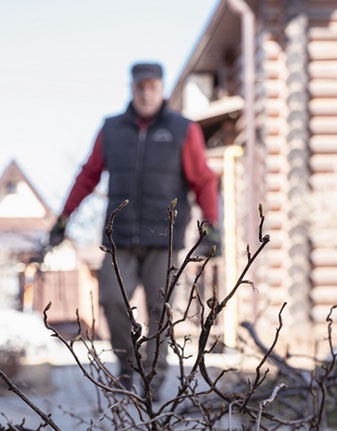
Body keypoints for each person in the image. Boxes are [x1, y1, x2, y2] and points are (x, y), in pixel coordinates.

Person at [50, 61, 221, 393]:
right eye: (140, 87)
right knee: (112, 300)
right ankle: (129, 368)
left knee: (161, 309)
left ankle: (154, 380)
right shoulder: (112, 129)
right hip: (121, 236)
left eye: (153, 87)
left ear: (161, 89)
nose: (146, 93)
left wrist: (212, 226)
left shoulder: (183, 130)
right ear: (131, 89)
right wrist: (63, 217)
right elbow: (89, 174)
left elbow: (203, 179)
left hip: (164, 238)